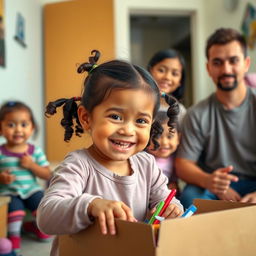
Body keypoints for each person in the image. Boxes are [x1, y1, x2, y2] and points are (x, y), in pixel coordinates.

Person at [37, 50, 184, 256]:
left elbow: (166, 200)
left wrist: (171, 209)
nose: (128, 130)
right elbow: (46, 216)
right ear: (86, 118)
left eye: (141, 121)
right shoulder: (78, 165)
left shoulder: (147, 164)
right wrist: (90, 205)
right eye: (115, 116)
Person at [175, 28, 256, 209]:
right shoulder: (197, 114)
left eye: (233, 61)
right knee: (189, 199)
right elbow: (183, 164)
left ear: (246, 63)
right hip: (212, 185)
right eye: (217, 62)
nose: (226, 69)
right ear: (208, 68)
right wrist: (210, 181)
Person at [0, 101, 52, 254]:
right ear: (1, 128)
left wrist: (32, 165)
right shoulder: (1, 152)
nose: (18, 130)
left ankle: (38, 226)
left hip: (31, 189)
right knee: (15, 209)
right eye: (11, 125)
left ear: (32, 128)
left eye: (23, 124)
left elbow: (47, 174)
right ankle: (14, 237)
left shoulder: (35, 151)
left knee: (42, 203)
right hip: (9, 192)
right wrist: (1, 178)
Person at [147, 48, 187, 123]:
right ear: (150, 70)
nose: (167, 77)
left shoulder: (180, 112)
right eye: (161, 70)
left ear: (180, 81)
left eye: (174, 74)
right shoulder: (138, 103)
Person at [146, 110, 181, 196]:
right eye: (157, 137)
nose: (164, 142)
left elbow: (174, 179)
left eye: (170, 136)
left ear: (178, 138)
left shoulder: (177, 158)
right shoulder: (143, 159)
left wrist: (173, 184)